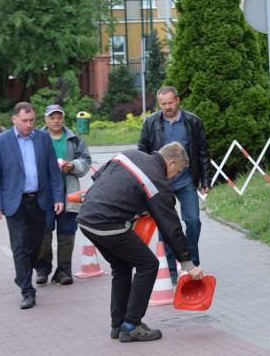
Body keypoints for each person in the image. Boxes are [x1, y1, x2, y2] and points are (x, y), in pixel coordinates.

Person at [78, 142, 206, 343]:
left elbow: (98, 177)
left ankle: (118, 325)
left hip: (86, 219)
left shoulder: (128, 154)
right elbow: (171, 227)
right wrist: (188, 265)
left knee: (121, 267)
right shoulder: (157, 182)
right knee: (149, 264)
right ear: (170, 163)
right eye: (177, 171)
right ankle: (131, 326)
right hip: (109, 224)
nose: (174, 177)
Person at [0, 102, 64, 310]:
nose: (28, 125)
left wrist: (58, 197)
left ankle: (22, 274)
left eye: (31, 120)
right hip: (14, 201)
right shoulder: (0, 142)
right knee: (19, 245)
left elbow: (53, 171)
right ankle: (27, 290)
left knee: (36, 244)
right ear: (14, 120)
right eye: (24, 121)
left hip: (39, 200)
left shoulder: (43, 138)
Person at [138, 86, 212, 284]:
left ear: (177, 100)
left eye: (171, 102)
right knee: (166, 226)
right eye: (163, 104)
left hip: (186, 181)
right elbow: (142, 153)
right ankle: (170, 268)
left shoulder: (192, 121)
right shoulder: (151, 122)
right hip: (161, 184)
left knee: (193, 221)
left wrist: (206, 179)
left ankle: (191, 265)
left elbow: (203, 152)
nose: (168, 107)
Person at [35, 104, 91, 285]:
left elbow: (86, 161)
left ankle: (64, 271)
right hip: (45, 194)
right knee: (44, 231)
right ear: (46, 120)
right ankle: (43, 268)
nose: (56, 120)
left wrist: (73, 165)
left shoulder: (74, 139)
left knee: (67, 232)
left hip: (69, 193)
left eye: (59, 117)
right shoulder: (37, 139)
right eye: (52, 117)